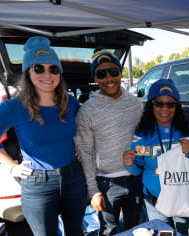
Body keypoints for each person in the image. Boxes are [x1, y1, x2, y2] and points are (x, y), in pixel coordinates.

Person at [0, 36, 87, 236]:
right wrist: (12, 167)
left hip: (74, 176)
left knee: (76, 232)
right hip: (38, 183)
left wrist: (78, 146)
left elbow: (81, 130)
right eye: (39, 68)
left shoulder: (70, 103)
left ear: (59, 74)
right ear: (28, 72)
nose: (47, 74)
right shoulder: (14, 107)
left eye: (53, 68)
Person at [123, 79, 189, 236]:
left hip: (182, 198)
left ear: (177, 106)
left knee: (181, 232)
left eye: (171, 104)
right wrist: (129, 163)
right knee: (160, 232)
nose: (165, 108)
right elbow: (136, 171)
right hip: (155, 202)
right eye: (159, 103)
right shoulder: (141, 134)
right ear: (151, 105)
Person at [75, 48, 143, 235]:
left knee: (135, 228)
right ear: (95, 78)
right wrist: (94, 192)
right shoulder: (87, 111)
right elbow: (86, 154)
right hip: (106, 183)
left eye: (114, 71)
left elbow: (146, 139)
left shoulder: (137, 105)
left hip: (136, 179)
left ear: (121, 73)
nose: (109, 78)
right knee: (108, 230)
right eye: (101, 73)